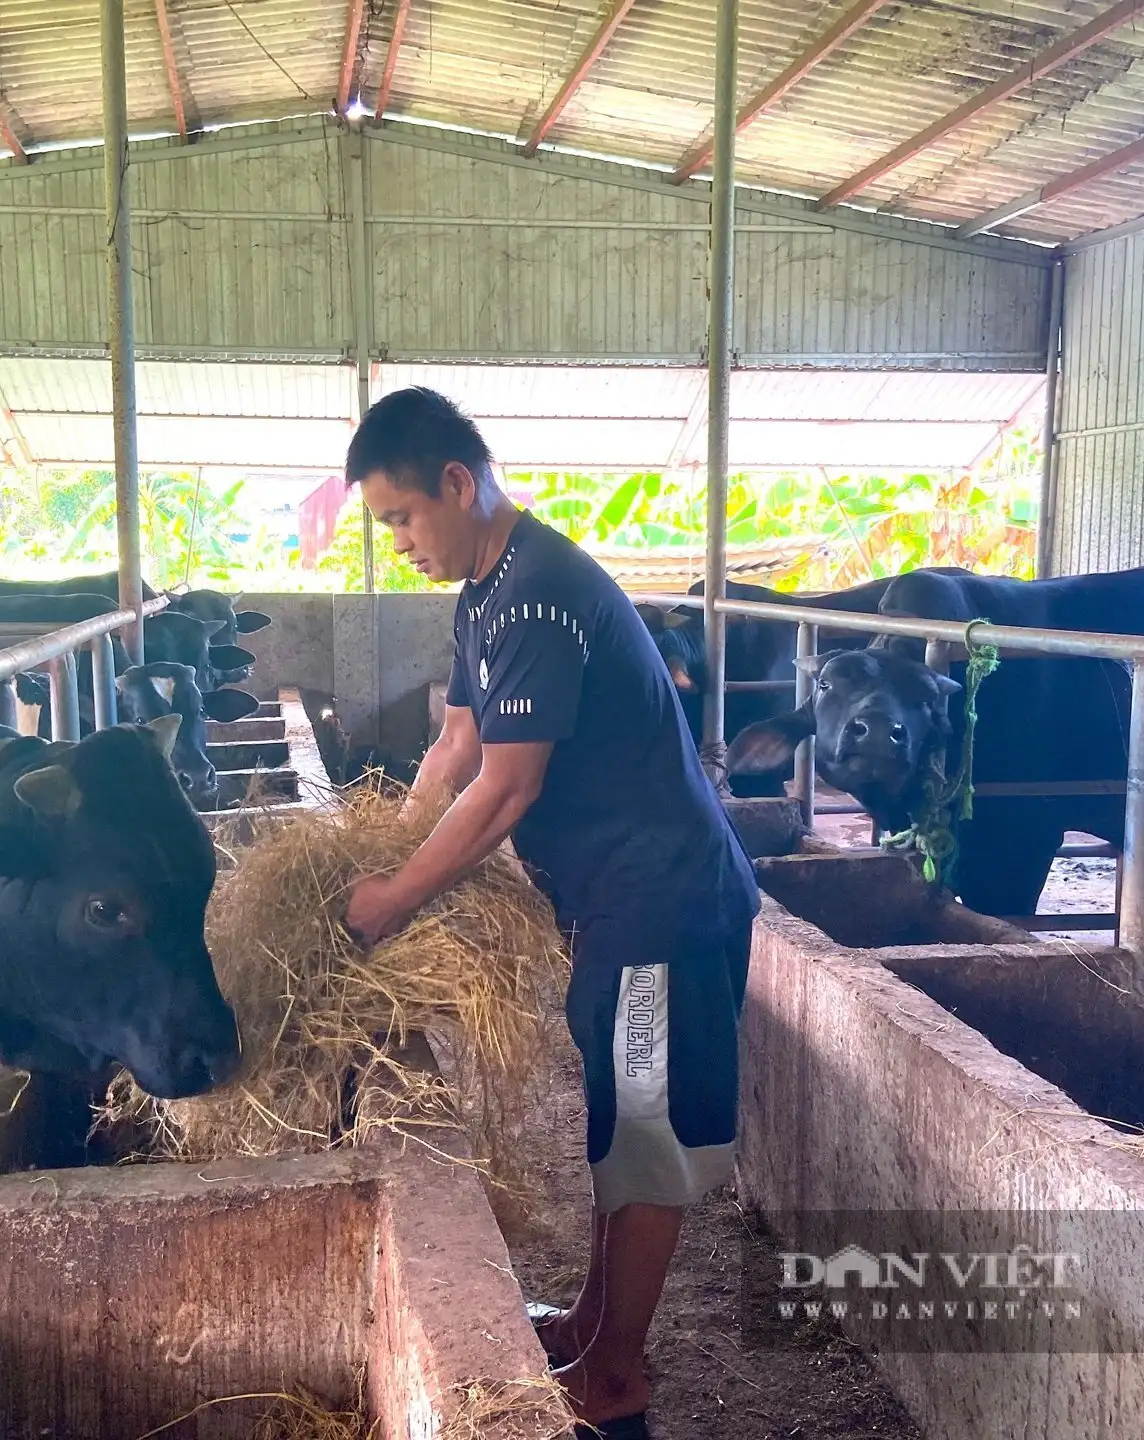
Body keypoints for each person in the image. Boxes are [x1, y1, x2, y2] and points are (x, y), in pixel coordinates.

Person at [342, 388, 759, 1439]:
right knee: (621, 1117)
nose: (399, 544)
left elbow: (507, 788)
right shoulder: (484, 593)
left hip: (661, 909)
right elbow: (454, 749)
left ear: (456, 482)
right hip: (615, 906)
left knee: (648, 1132)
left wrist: (391, 899)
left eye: (401, 519)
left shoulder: (534, 596)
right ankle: (588, 1319)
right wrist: (378, 843)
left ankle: (617, 1375)